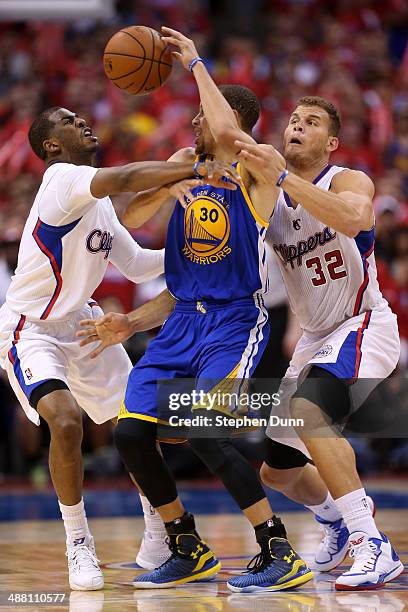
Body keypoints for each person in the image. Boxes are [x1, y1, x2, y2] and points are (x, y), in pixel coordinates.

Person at [79, 28, 313, 593]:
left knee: (204, 430)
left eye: (204, 116)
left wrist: (195, 64)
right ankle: (185, 542)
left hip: (235, 320)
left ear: (228, 116)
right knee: (132, 436)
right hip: (183, 319)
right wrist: (131, 323)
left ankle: (277, 547)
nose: (193, 124)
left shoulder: (260, 167)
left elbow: (229, 135)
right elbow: (132, 218)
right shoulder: (184, 163)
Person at [0, 106, 237, 591]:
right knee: (65, 421)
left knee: (137, 423)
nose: (82, 120)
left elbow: (136, 265)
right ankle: (78, 544)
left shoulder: (100, 206)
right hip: (32, 328)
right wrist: (196, 167)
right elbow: (129, 175)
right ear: (51, 145)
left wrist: (209, 250)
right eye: (68, 120)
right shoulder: (63, 179)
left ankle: (157, 534)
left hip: (85, 323)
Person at [233, 96, 404, 590]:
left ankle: (372, 542)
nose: (296, 127)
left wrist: (286, 178)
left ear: (331, 142)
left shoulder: (348, 181)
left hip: (362, 323)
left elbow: (353, 221)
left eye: (310, 122)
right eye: (291, 120)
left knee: (309, 413)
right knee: (278, 472)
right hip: (313, 338)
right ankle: (335, 519)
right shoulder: (268, 192)